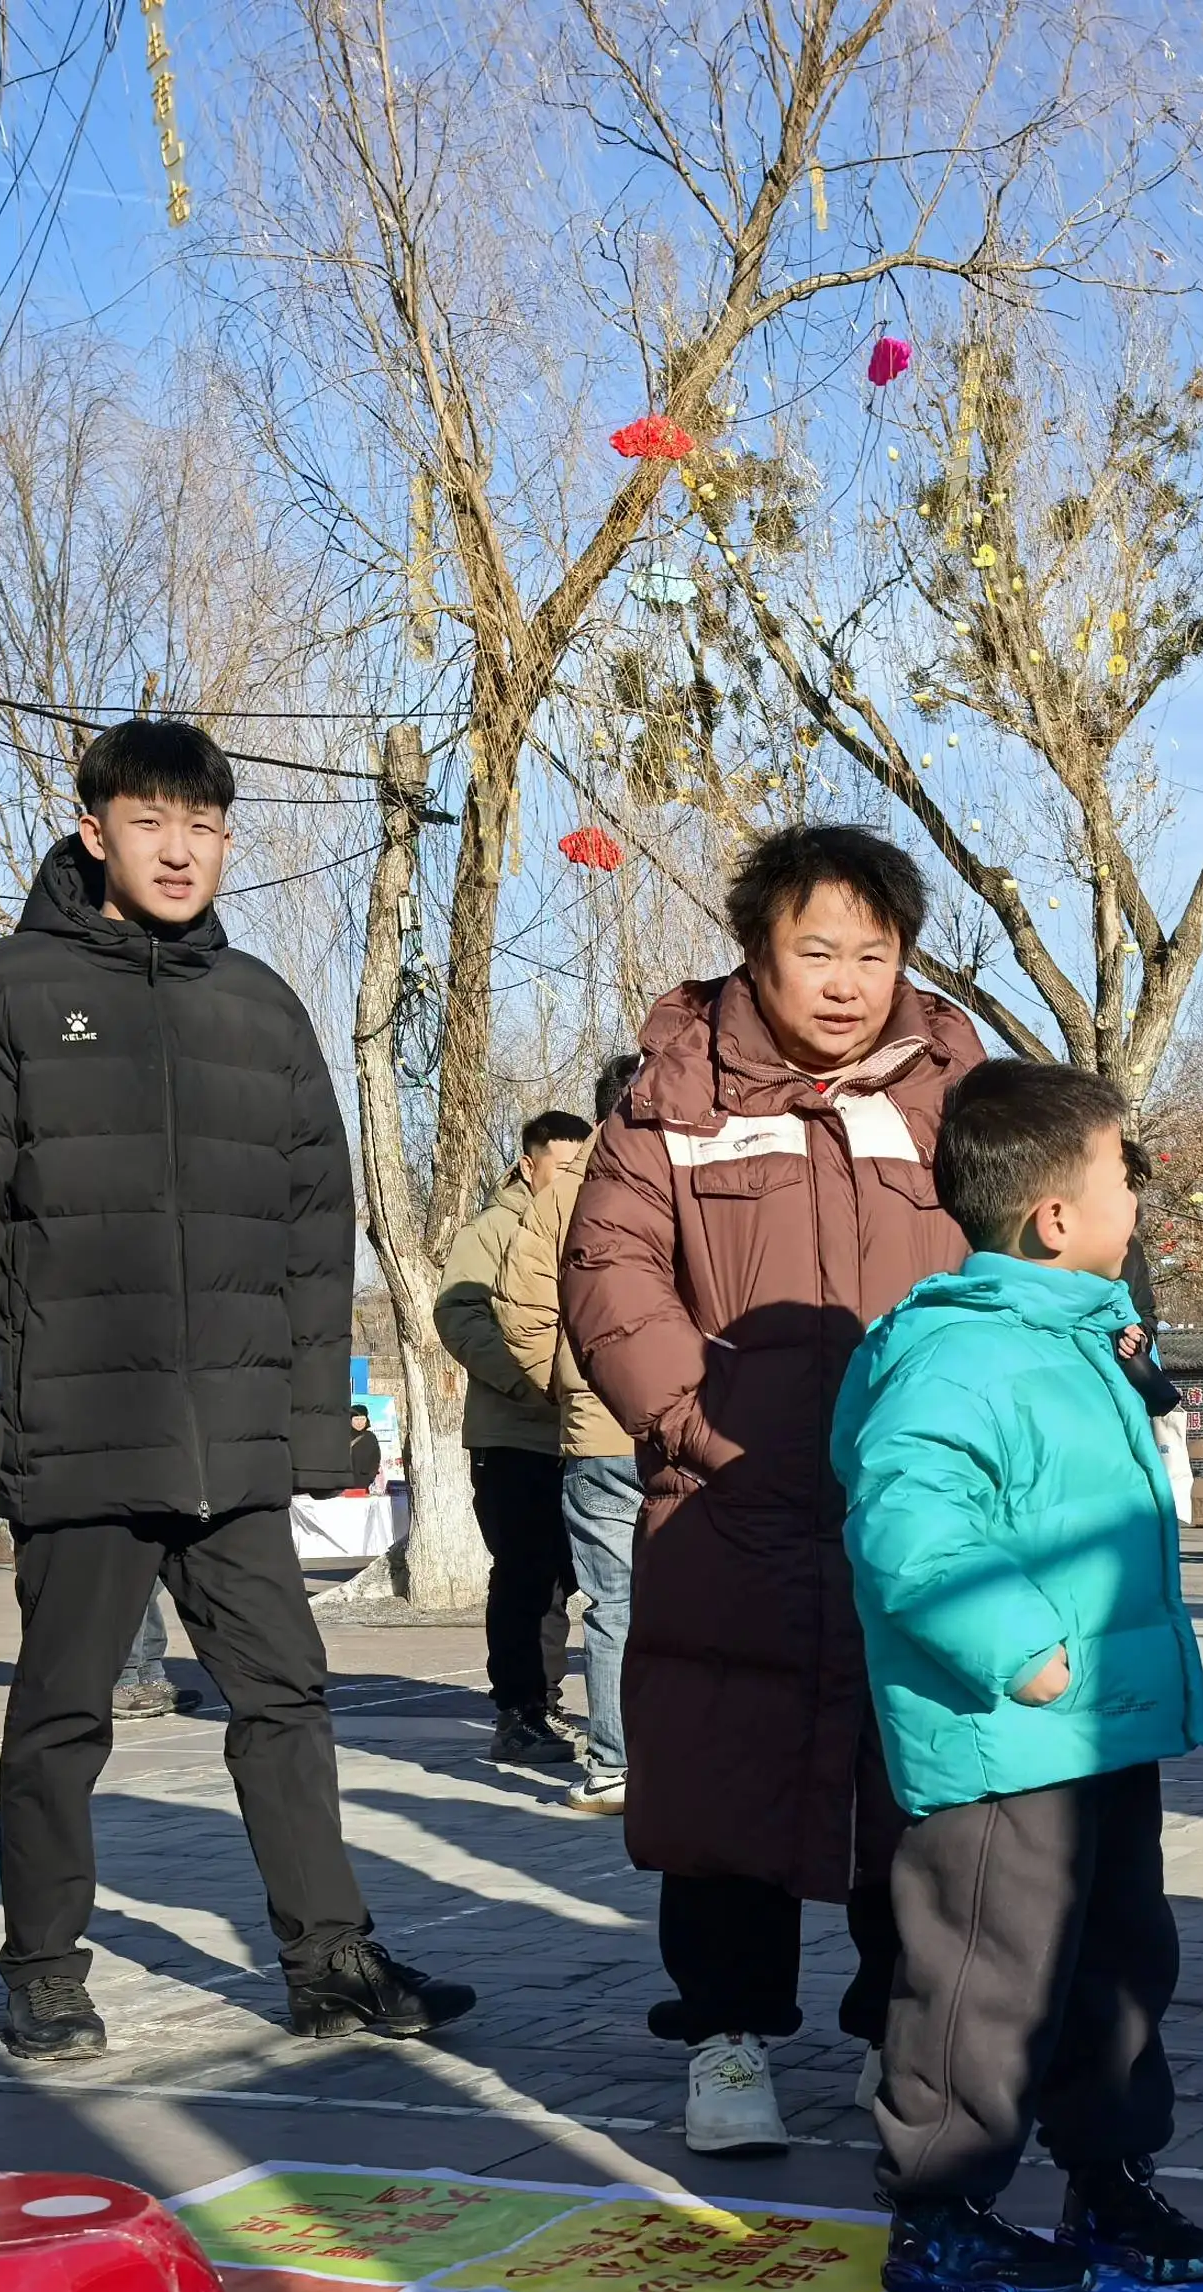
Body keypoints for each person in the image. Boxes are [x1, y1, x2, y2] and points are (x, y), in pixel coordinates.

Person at [0, 716, 473, 2060]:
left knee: (285, 1700)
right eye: (154, 821)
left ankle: (330, 1958)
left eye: (206, 825)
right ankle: (45, 1969)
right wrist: (5, 1415)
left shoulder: (262, 1008)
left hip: (231, 1443)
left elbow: (310, 1224)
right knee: (61, 1715)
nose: (181, 850)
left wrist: (305, 1422)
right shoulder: (3, 992)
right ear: (92, 823)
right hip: (81, 1432)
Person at [565, 824, 984, 2155]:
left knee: (907, 1784)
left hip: (909, 1509)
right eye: (818, 950)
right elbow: (611, 1272)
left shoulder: (952, 1091)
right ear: (757, 949)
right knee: (722, 1776)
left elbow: (1021, 1249)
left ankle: (888, 2034)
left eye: (875, 951)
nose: (849, 980)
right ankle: (727, 2039)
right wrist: (697, 1421)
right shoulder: (672, 1097)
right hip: (733, 1501)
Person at [835, 1060, 1203, 2292]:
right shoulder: (958, 1357)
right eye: (1125, 1178)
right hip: (1007, 1733)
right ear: (1054, 1217)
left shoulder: (1080, 1339)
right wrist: (1013, 1643)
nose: (1138, 1204)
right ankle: (940, 2209)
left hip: (1099, 1731)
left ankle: (1107, 2178)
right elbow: (909, 1521)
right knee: (983, 1983)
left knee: (1118, 1966)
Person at [496, 1062, 644, 1815]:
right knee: (696, 1597)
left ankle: (616, 1767)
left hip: (598, 1431)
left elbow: (523, 1313)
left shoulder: (560, 1196)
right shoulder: (696, 1174)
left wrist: (569, 1384)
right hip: (689, 1423)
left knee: (614, 1606)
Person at [438, 1108, 593, 1766]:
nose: (574, 1180)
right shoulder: (491, 1231)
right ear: (529, 1166)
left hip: (578, 1433)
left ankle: (547, 1703)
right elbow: (457, 1312)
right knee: (525, 1578)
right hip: (514, 1435)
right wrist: (525, 1379)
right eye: (563, 1168)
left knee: (569, 1578)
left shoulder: (591, 1220)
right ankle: (518, 1710)